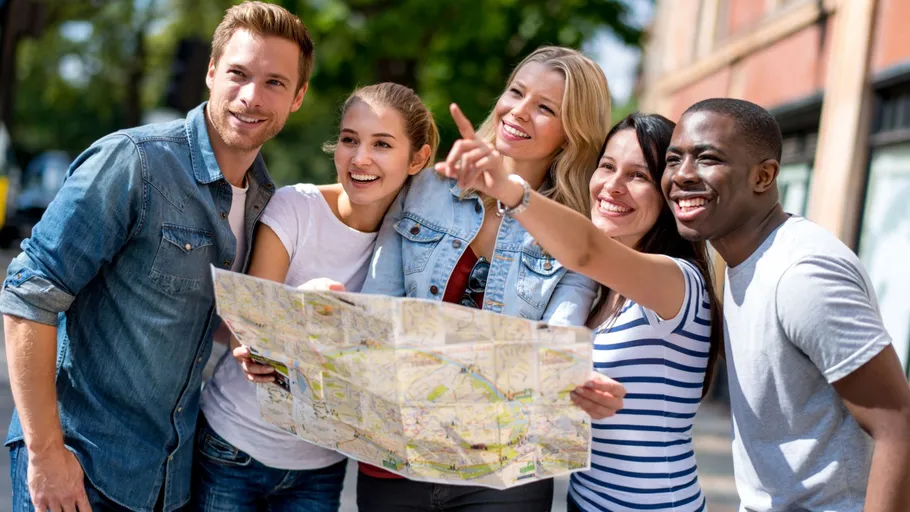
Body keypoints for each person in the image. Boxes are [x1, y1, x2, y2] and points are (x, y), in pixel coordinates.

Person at [0, 2, 313, 511]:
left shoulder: (263, 200)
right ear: (211, 72)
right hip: (81, 468)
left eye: (276, 83)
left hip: (169, 483)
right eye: (238, 73)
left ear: (298, 97)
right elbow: (28, 298)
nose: (252, 97)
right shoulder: (134, 162)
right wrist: (45, 454)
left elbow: (191, 318)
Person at [354, 45, 627, 511]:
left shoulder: (573, 228)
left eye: (545, 108)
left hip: (504, 468)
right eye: (516, 92)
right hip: (398, 453)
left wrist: (577, 376)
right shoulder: (425, 189)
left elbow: (560, 336)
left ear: (571, 134)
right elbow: (377, 307)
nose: (518, 112)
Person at [439, 109, 721, 511]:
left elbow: (586, 250)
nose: (613, 186)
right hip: (584, 500)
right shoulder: (600, 292)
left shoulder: (678, 281)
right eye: (607, 167)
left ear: (667, 195)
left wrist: (510, 188)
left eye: (638, 176)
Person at [195, 82, 438, 512]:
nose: (359, 158)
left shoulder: (418, 243)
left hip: (321, 468)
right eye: (349, 140)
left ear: (417, 158)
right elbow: (243, 334)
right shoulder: (296, 207)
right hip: (233, 447)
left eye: (382, 144)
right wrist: (297, 308)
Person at [662, 97, 910, 511]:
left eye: (707, 158)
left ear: (764, 176)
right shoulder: (747, 261)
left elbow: (898, 425)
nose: (683, 174)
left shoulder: (802, 273)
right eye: (674, 159)